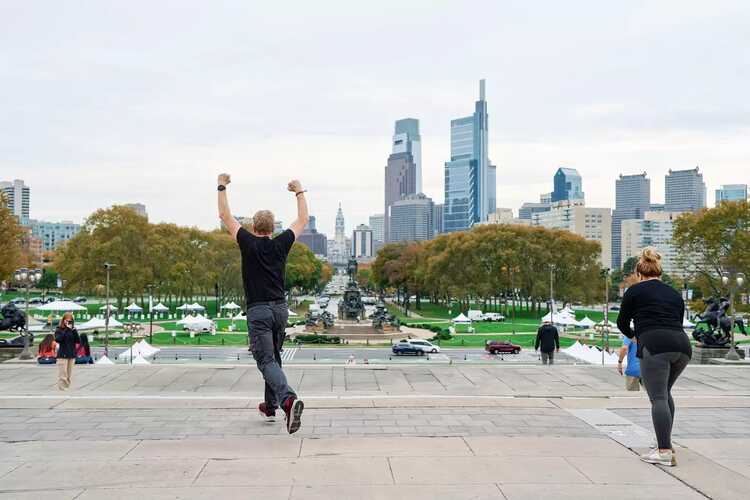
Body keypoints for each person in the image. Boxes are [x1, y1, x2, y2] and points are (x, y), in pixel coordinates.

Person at [218, 173, 308, 434]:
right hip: (280, 310)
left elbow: (225, 216)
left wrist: (222, 185)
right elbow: (302, 219)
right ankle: (270, 406)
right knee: (274, 359)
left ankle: (288, 400)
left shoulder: (247, 243)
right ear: (272, 228)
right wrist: (299, 190)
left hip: (258, 310)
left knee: (266, 360)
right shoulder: (281, 243)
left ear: (254, 228)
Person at [617, 247, 691, 467]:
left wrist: (634, 337)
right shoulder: (674, 293)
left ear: (639, 274)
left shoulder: (635, 291)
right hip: (682, 346)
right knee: (665, 393)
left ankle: (664, 451)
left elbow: (622, 323)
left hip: (655, 345)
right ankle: (666, 443)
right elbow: (677, 319)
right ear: (659, 272)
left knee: (657, 397)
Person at [54, 313, 80, 390]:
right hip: (63, 354)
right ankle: (62, 388)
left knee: (69, 374)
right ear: (63, 320)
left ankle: (66, 387)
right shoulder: (59, 329)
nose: (68, 322)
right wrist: (66, 329)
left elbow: (78, 341)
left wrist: (74, 331)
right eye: (67, 320)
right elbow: (58, 339)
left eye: (70, 320)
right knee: (63, 373)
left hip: (71, 354)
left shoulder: (72, 330)